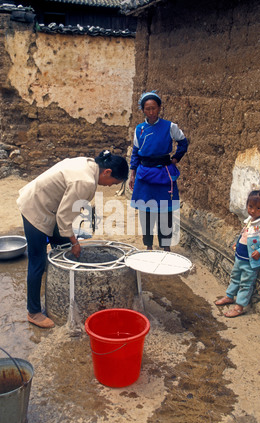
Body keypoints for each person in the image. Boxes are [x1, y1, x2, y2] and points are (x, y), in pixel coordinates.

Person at [17, 150, 128, 328]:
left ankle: (60, 286)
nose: (109, 187)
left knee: (62, 246)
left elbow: (66, 210)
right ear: (106, 172)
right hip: (36, 207)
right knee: (37, 261)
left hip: (49, 206)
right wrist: (75, 242)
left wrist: (72, 241)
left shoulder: (89, 164)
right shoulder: (85, 181)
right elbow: (63, 217)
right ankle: (34, 312)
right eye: (112, 183)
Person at [129, 91, 188, 251]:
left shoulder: (170, 127)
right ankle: (148, 245)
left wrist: (175, 159)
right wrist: (132, 173)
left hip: (164, 174)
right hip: (144, 174)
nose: (151, 112)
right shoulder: (139, 129)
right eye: (147, 109)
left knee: (165, 211)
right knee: (145, 212)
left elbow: (183, 143)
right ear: (143, 110)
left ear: (159, 108)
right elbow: (136, 152)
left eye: (154, 108)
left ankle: (165, 245)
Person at [215, 186, 260, 317]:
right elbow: (245, 234)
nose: (253, 211)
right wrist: (237, 244)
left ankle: (239, 307)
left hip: (251, 261)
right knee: (235, 277)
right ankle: (230, 296)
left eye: (258, 208)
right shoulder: (250, 219)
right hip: (240, 256)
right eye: (250, 207)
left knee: (246, 283)